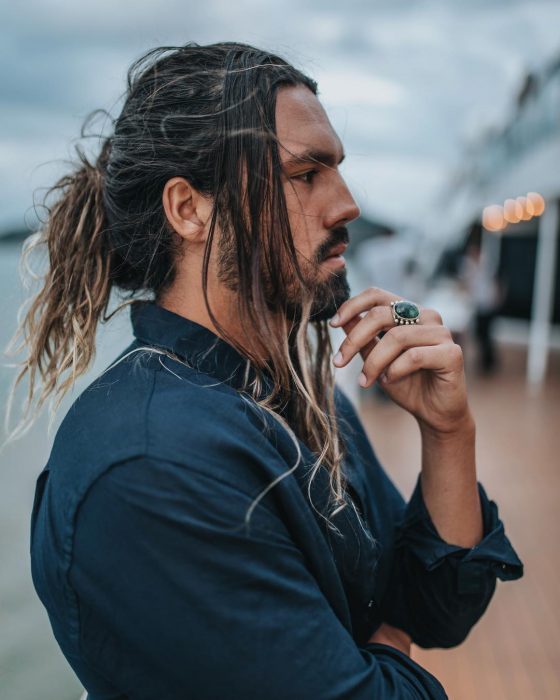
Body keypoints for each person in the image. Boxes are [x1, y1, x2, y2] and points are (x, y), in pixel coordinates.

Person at [9, 43, 523, 699]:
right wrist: (385, 645)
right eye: (306, 174)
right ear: (189, 209)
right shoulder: (149, 465)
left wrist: (449, 433)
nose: (347, 206)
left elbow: (437, 611)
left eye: (337, 169)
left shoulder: (299, 395)